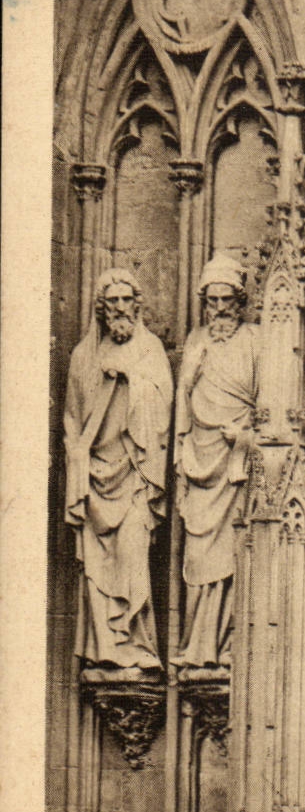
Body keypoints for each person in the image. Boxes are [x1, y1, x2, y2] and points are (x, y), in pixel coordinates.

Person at [64, 269, 173, 669]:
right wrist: (78, 461)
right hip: (95, 478)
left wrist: (130, 379)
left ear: (138, 304)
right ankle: (105, 649)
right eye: (113, 302)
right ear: (102, 308)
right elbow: (73, 418)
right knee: (97, 567)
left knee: (132, 558)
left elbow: (163, 410)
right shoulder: (84, 355)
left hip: (134, 477)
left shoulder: (150, 350)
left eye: (128, 300)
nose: (121, 308)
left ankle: (138, 645)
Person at [175, 253, 260, 667]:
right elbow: (181, 404)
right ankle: (197, 645)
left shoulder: (256, 341)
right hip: (198, 463)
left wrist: (244, 437)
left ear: (241, 301)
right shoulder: (194, 342)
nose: (221, 308)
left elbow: (275, 413)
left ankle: (227, 646)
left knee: (232, 556)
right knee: (197, 555)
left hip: (236, 471)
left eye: (228, 299)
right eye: (212, 300)